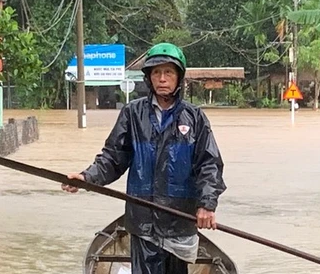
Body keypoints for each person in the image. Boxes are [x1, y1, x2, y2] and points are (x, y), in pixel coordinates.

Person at [62, 42, 226, 274]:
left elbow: (209, 165)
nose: (162, 78)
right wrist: (86, 177)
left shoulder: (194, 117)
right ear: (148, 78)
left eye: (168, 72)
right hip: (143, 221)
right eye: (156, 72)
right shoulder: (133, 114)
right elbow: (112, 158)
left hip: (179, 220)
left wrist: (207, 205)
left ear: (179, 77)